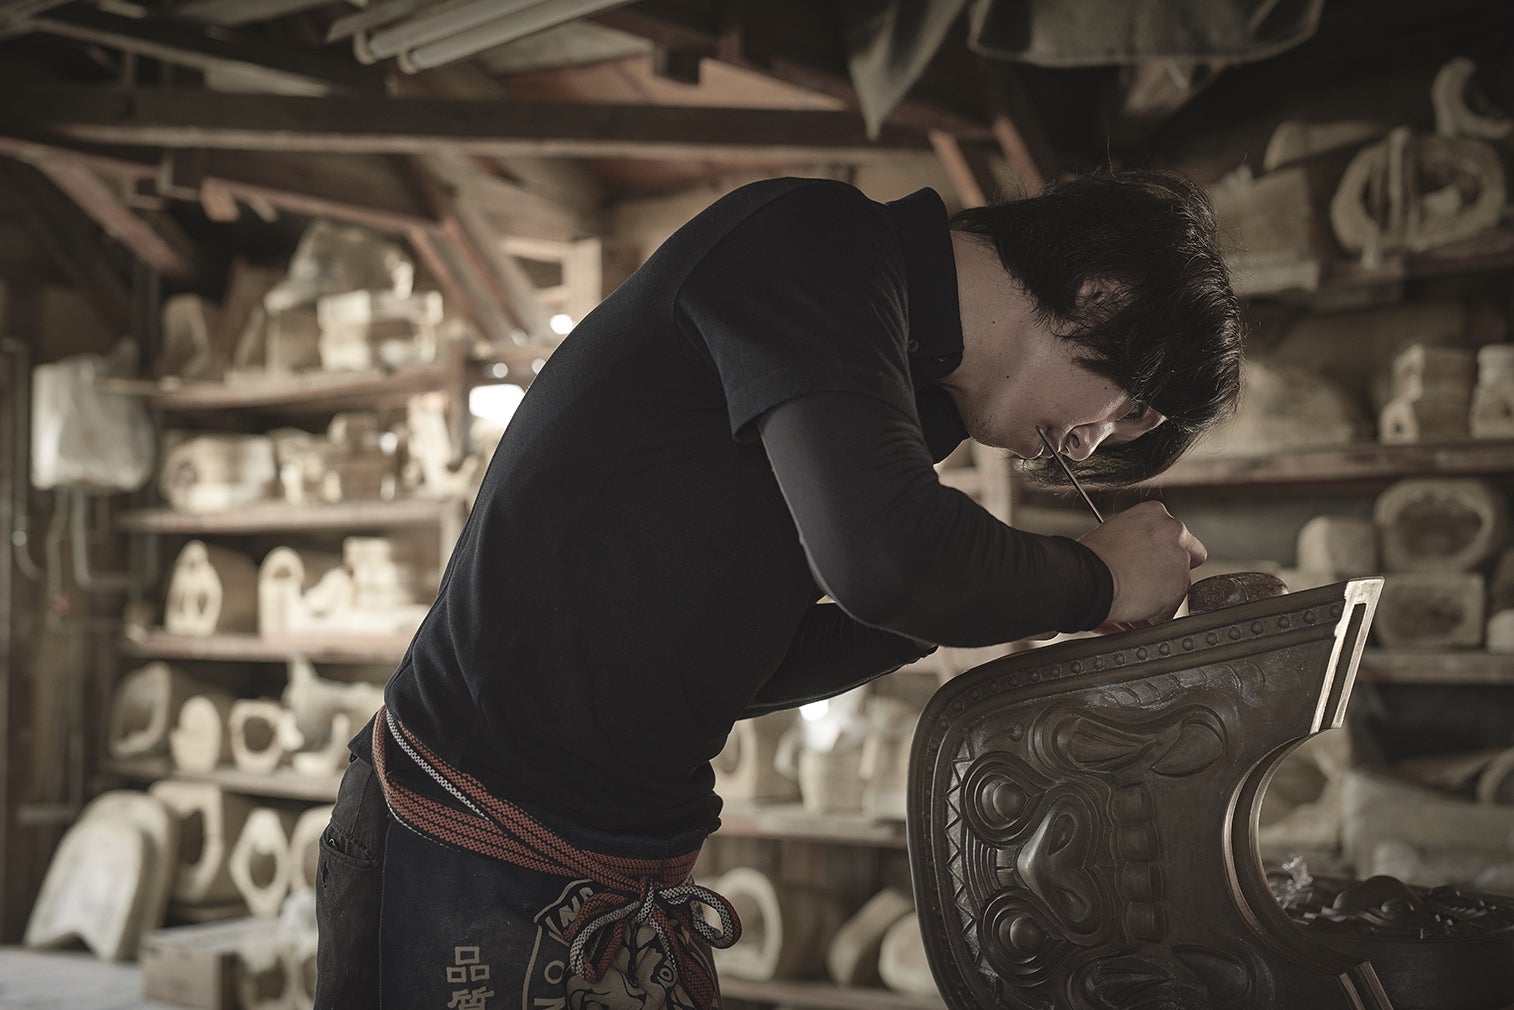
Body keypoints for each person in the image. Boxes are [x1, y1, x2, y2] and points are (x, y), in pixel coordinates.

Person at [314, 167, 1243, 1009]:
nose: (1087, 444)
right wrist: (1093, 576)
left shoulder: (896, 382)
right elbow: (889, 562)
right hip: (474, 827)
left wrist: (963, 606)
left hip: (598, 857)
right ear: (1104, 290)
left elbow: (733, 665)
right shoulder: (818, 244)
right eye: (1126, 408)